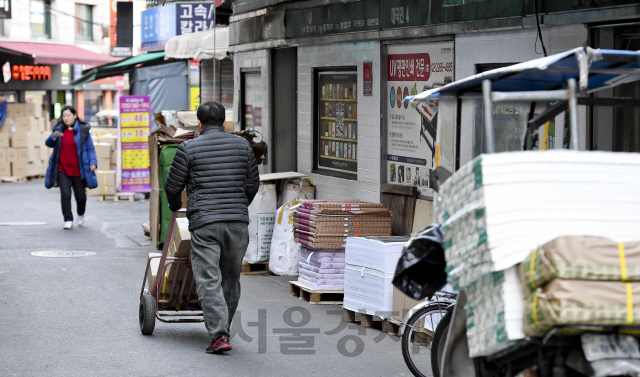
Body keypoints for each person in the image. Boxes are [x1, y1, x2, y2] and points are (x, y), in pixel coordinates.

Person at [165, 101, 259, 354]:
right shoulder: (243, 146)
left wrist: (176, 206)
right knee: (230, 278)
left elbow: (173, 186)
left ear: (200, 123)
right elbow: (252, 184)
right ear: (224, 122)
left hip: (205, 223)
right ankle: (223, 331)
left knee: (208, 278)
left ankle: (219, 335)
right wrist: (239, 206)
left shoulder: (188, 148)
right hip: (237, 223)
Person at [45, 106, 98, 229]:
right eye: (64, 116)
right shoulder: (58, 129)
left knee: (80, 196)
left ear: (75, 115)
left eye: (68, 115)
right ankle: (68, 219)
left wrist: (93, 162)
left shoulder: (83, 129)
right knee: (65, 194)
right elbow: (48, 143)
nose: (66, 118)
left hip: (78, 169)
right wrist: (53, 136)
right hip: (61, 168)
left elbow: (90, 148)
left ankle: (80, 213)